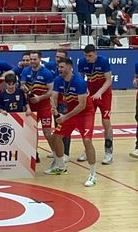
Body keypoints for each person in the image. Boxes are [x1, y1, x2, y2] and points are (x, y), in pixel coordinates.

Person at [45, 58, 97, 187]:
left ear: (69, 67)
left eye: (62, 67)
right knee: (56, 137)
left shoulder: (79, 82)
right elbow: (54, 96)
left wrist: (65, 117)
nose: (59, 69)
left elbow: (82, 105)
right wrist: (53, 107)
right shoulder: (58, 80)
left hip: (85, 114)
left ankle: (93, 174)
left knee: (87, 141)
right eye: (59, 67)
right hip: (70, 113)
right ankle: (61, 166)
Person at [77, 45, 115, 165]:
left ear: (95, 54)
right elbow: (80, 79)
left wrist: (99, 92)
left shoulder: (103, 61)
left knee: (106, 121)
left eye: (90, 56)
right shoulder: (82, 62)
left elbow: (108, 80)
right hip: (90, 93)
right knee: (87, 121)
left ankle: (108, 152)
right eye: (85, 55)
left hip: (104, 94)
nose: (87, 58)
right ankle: (87, 150)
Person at [21, 51, 56, 162]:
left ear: (40, 59)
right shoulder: (25, 71)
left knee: (47, 132)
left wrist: (39, 98)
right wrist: (25, 90)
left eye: (35, 59)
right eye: (31, 59)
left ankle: (56, 155)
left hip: (44, 107)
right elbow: (22, 85)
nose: (32, 61)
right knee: (32, 132)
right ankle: (34, 154)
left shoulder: (47, 73)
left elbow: (51, 91)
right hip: (31, 107)